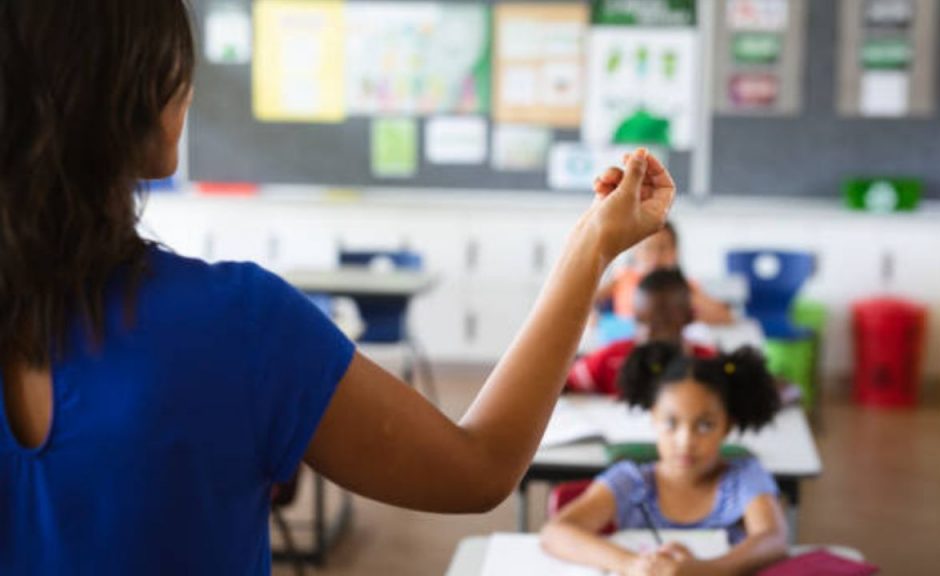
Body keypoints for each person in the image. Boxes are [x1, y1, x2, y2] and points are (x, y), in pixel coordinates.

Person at [0, 1, 675, 573]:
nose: (192, 87)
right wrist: (592, 247)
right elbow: (481, 468)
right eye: (177, 63)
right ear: (134, 96)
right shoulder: (236, 324)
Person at [542, 344, 788, 576]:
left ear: (727, 427)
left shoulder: (743, 478)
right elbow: (556, 532)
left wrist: (705, 570)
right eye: (671, 423)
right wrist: (633, 563)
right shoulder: (631, 481)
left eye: (705, 425)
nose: (685, 441)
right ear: (653, 418)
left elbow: (774, 539)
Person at [566, 268, 713, 396]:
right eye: (640, 321)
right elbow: (562, 384)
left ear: (690, 317)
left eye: (660, 324)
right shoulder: (612, 359)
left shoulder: (707, 364)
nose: (648, 333)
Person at [594, 221, 734, 325]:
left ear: (675, 252)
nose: (655, 256)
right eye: (649, 249)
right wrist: (591, 317)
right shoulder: (623, 278)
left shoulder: (682, 285)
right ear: (636, 252)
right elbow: (587, 301)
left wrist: (691, 312)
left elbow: (725, 316)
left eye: (663, 248)